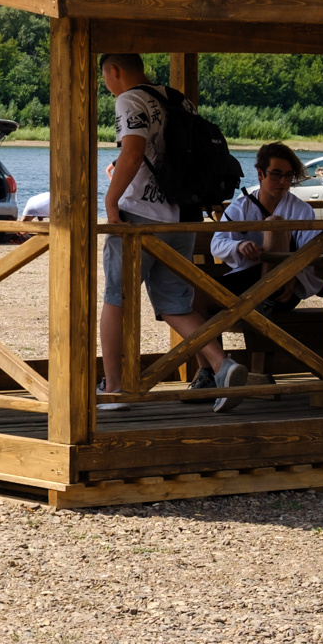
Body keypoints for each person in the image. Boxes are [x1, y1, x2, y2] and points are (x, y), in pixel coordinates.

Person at [98, 53, 247, 412]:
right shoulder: (179, 99)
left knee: (115, 298)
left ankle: (116, 387)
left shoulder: (129, 99)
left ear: (113, 71)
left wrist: (111, 200)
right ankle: (222, 365)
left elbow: (133, 153)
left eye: (104, 77)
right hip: (180, 215)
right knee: (174, 303)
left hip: (139, 220)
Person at [203, 143, 322, 388]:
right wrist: (239, 247)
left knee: (275, 223)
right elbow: (217, 244)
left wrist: (292, 278)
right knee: (192, 297)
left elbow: (313, 251)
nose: (283, 181)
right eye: (276, 174)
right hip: (247, 280)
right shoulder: (241, 207)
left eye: (288, 176)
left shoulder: (300, 210)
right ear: (260, 174)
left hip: (282, 290)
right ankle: (210, 371)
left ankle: (264, 301)